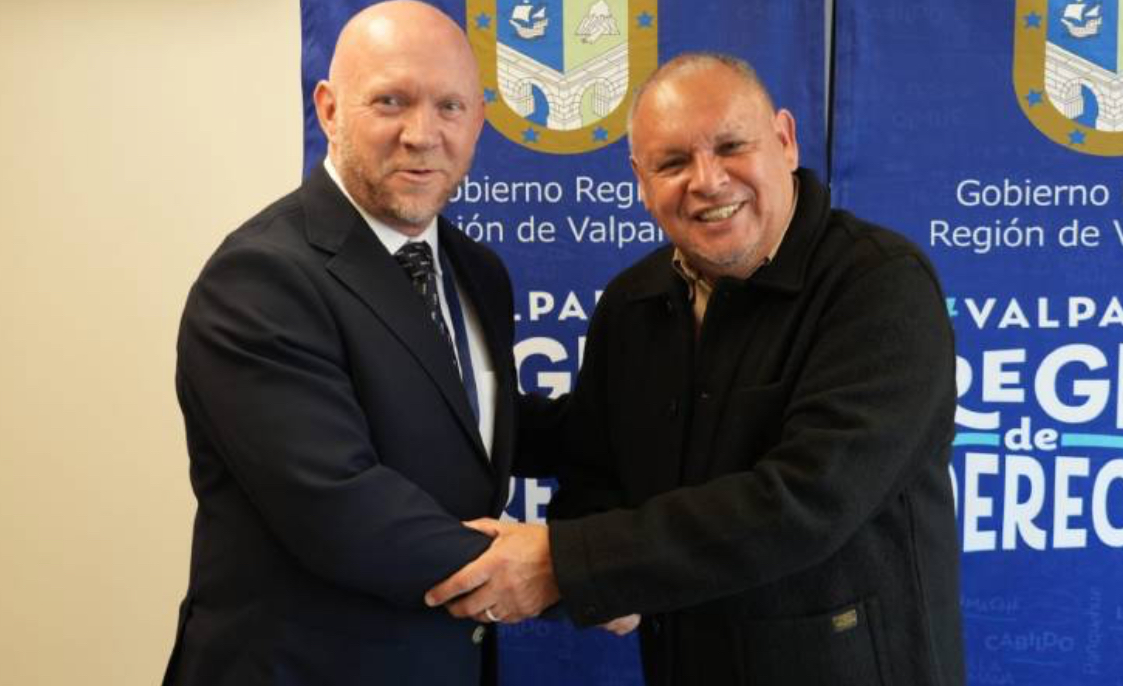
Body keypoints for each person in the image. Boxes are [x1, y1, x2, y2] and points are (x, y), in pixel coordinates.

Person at [426, 53, 966, 686]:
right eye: (673, 162)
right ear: (641, 179)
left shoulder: (879, 284)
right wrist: (438, 411)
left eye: (732, 147)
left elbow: (809, 500)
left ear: (785, 140)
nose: (708, 181)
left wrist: (570, 564)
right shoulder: (633, 301)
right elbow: (600, 456)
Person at [162, 3, 521, 684]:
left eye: (450, 106)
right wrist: (563, 574)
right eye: (391, 101)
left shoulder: (478, 272)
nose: (423, 135)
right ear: (328, 108)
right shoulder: (260, 276)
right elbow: (340, 508)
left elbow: (458, 430)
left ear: (478, 119)